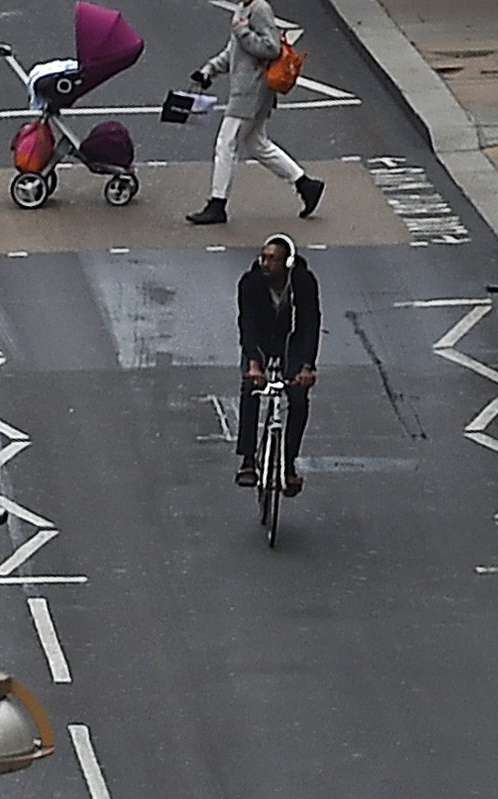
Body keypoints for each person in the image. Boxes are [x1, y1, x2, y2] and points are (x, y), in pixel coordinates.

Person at [190, 0, 319, 227]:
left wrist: (242, 31)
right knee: (257, 144)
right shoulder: (244, 8)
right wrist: (209, 69)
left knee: (225, 142)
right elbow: (234, 52)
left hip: (252, 89)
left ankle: (217, 204)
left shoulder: (259, 9)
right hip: (248, 88)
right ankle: (305, 184)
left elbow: (271, 48)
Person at [237, 233, 321, 495]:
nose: (265, 263)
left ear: (287, 263)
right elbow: (247, 323)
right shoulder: (250, 283)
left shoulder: (303, 283)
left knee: (298, 399)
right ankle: (248, 460)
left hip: (290, 341)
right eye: (263, 257)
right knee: (250, 389)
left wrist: (307, 366)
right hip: (261, 339)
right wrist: (254, 363)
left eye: (272, 259)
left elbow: (310, 323)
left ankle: (288, 464)